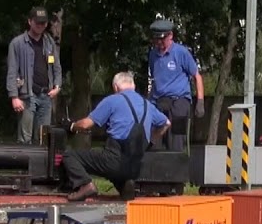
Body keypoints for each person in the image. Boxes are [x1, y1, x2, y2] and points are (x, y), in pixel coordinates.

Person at [64, 72, 170, 202]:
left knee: (70, 156)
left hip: (114, 159)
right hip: (136, 166)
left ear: (115, 87)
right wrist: (151, 141)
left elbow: (86, 124)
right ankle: (125, 185)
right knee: (115, 168)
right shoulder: (147, 104)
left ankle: (85, 185)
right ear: (133, 86)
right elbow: (166, 123)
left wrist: (71, 126)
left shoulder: (112, 100)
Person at [6, 6, 62, 145]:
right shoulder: (17, 43)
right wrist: (14, 97)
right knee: (25, 139)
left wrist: (57, 86)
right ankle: (23, 159)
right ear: (30, 21)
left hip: (46, 95)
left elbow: (56, 67)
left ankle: (41, 160)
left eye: (43, 23)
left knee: (43, 139)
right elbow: (12, 71)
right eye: (37, 22)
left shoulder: (49, 43)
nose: (40, 25)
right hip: (27, 96)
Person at [147, 18, 204, 151]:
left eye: (162, 39)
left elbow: (197, 76)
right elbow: (154, 80)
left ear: (170, 36)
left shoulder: (181, 52)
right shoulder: (153, 55)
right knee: (154, 141)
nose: (159, 42)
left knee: (176, 141)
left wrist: (200, 101)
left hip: (179, 101)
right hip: (159, 101)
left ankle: (177, 161)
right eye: (156, 39)